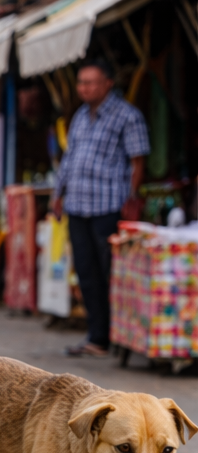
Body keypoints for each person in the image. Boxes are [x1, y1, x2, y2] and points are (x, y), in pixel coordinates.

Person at [52, 57, 149, 358]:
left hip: (108, 206)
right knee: (86, 273)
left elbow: (138, 162)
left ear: (108, 83)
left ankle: (118, 336)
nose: (84, 88)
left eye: (91, 82)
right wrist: (58, 194)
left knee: (113, 274)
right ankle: (98, 337)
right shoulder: (80, 116)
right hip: (77, 205)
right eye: (81, 83)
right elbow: (69, 159)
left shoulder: (127, 116)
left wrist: (131, 200)